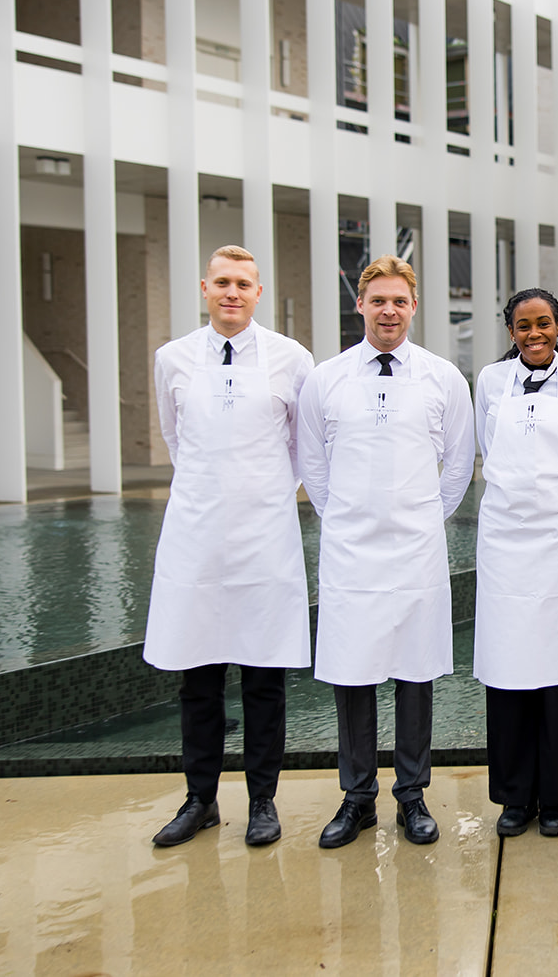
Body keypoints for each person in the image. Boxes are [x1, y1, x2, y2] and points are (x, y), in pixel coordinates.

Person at [296, 255, 475, 849]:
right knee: (353, 672)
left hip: (416, 549)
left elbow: (459, 464)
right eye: (378, 301)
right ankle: (357, 798)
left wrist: (421, 517)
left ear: (414, 306)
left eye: (399, 301)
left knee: (415, 672)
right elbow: (312, 463)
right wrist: (348, 517)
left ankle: (412, 795)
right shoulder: (326, 378)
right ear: (360, 305)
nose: (389, 311)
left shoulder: (442, 377)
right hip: (351, 551)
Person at [144, 244, 314, 848]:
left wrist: (260, 496)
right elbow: (177, 439)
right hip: (196, 537)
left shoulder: (292, 358)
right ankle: (200, 800)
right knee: (198, 677)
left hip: (264, 537)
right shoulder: (172, 358)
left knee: (264, 677)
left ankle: (263, 800)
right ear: (205, 288)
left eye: (243, 284)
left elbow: (301, 448)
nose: (232, 293)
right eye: (222, 283)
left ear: (258, 292)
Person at [473, 288, 558, 839]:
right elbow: (488, 449)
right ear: (511, 331)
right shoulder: (489, 381)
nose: (535, 333)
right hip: (505, 540)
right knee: (508, 665)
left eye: (544, 323)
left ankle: (556, 796)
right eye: (524, 325)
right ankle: (515, 796)